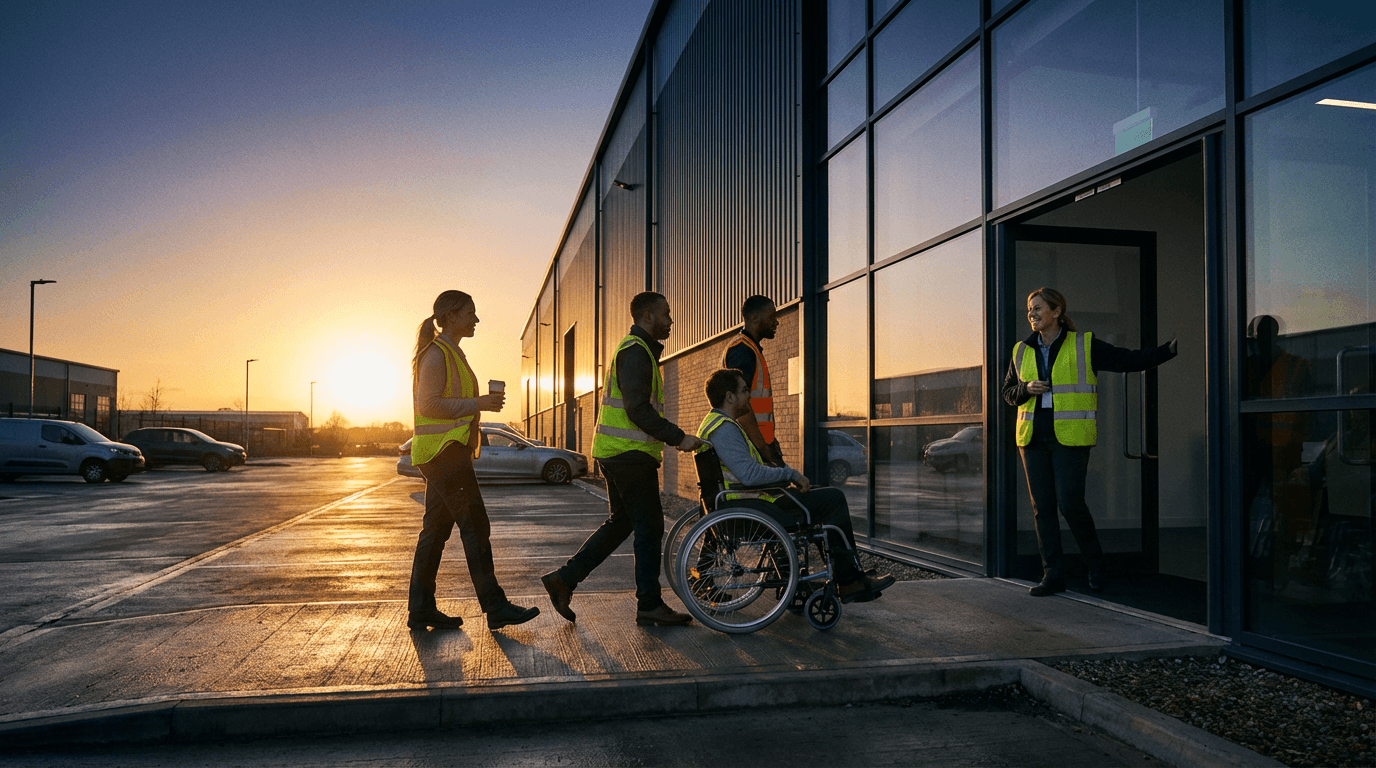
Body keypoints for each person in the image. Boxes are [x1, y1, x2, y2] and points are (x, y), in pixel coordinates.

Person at [541, 292, 706, 626]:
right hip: (628, 456)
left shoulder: (639, 350)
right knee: (650, 527)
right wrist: (678, 437)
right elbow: (637, 409)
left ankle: (564, 579)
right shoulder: (635, 352)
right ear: (647, 316)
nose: (671, 321)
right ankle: (649, 604)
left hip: (618, 453)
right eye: (666, 314)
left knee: (622, 523)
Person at [1001, 287, 1178, 596]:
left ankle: (1095, 566)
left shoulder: (1084, 344)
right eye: (1030, 308)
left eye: (1038, 308)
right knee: (1043, 509)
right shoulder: (1021, 350)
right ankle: (1052, 574)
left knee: (1071, 504)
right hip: (1032, 437)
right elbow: (1008, 393)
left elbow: (1127, 359)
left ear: (1056, 312)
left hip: (1071, 437)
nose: (1031, 313)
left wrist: (1168, 350)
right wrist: (1026, 388)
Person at [697, 368, 894, 603]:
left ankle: (847, 573)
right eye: (744, 390)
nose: (749, 395)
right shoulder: (725, 429)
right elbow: (749, 475)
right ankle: (849, 580)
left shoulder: (715, 424)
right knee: (833, 498)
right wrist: (790, 474)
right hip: (751, 506)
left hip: (744, 503)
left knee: (819, 493)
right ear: (730, 397)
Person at [408, 290, 540, 631]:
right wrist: (479, 403)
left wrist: (480, 405)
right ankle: (495, 607)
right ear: (451, 316)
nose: (476, 319)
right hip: (443, 453)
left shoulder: (451, 353)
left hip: (444, 451)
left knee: (435, 531)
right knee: (475, 525)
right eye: (470, 313)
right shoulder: (436, 354)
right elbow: (428, 405)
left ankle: (421, 608)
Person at [721, 295, 783, 466]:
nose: (776, 322)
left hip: (756, 445)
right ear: (755, 318)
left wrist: (770, 442)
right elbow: (740, 406)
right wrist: (765, 450)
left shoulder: (750, 349)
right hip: (751, 449)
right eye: (772, 317)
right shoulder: (743, 351)